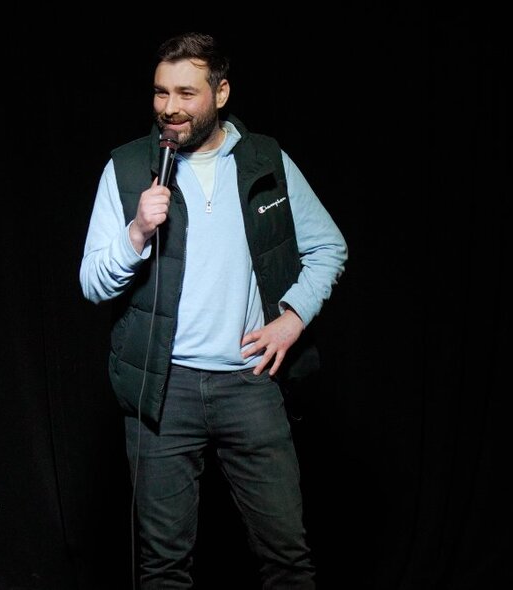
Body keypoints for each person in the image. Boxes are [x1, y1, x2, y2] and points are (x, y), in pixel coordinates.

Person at [79, 31, 347, 589]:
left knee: (288, 559)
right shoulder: (128, 168)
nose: (169, 107)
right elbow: (92, 284)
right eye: (159, 93)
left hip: (249, 384)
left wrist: (292, 319)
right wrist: (136, 232)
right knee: (162, 567)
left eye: (185, 92)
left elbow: (328, 247)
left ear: (221, 92)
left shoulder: (265, 158)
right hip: (163, 390)